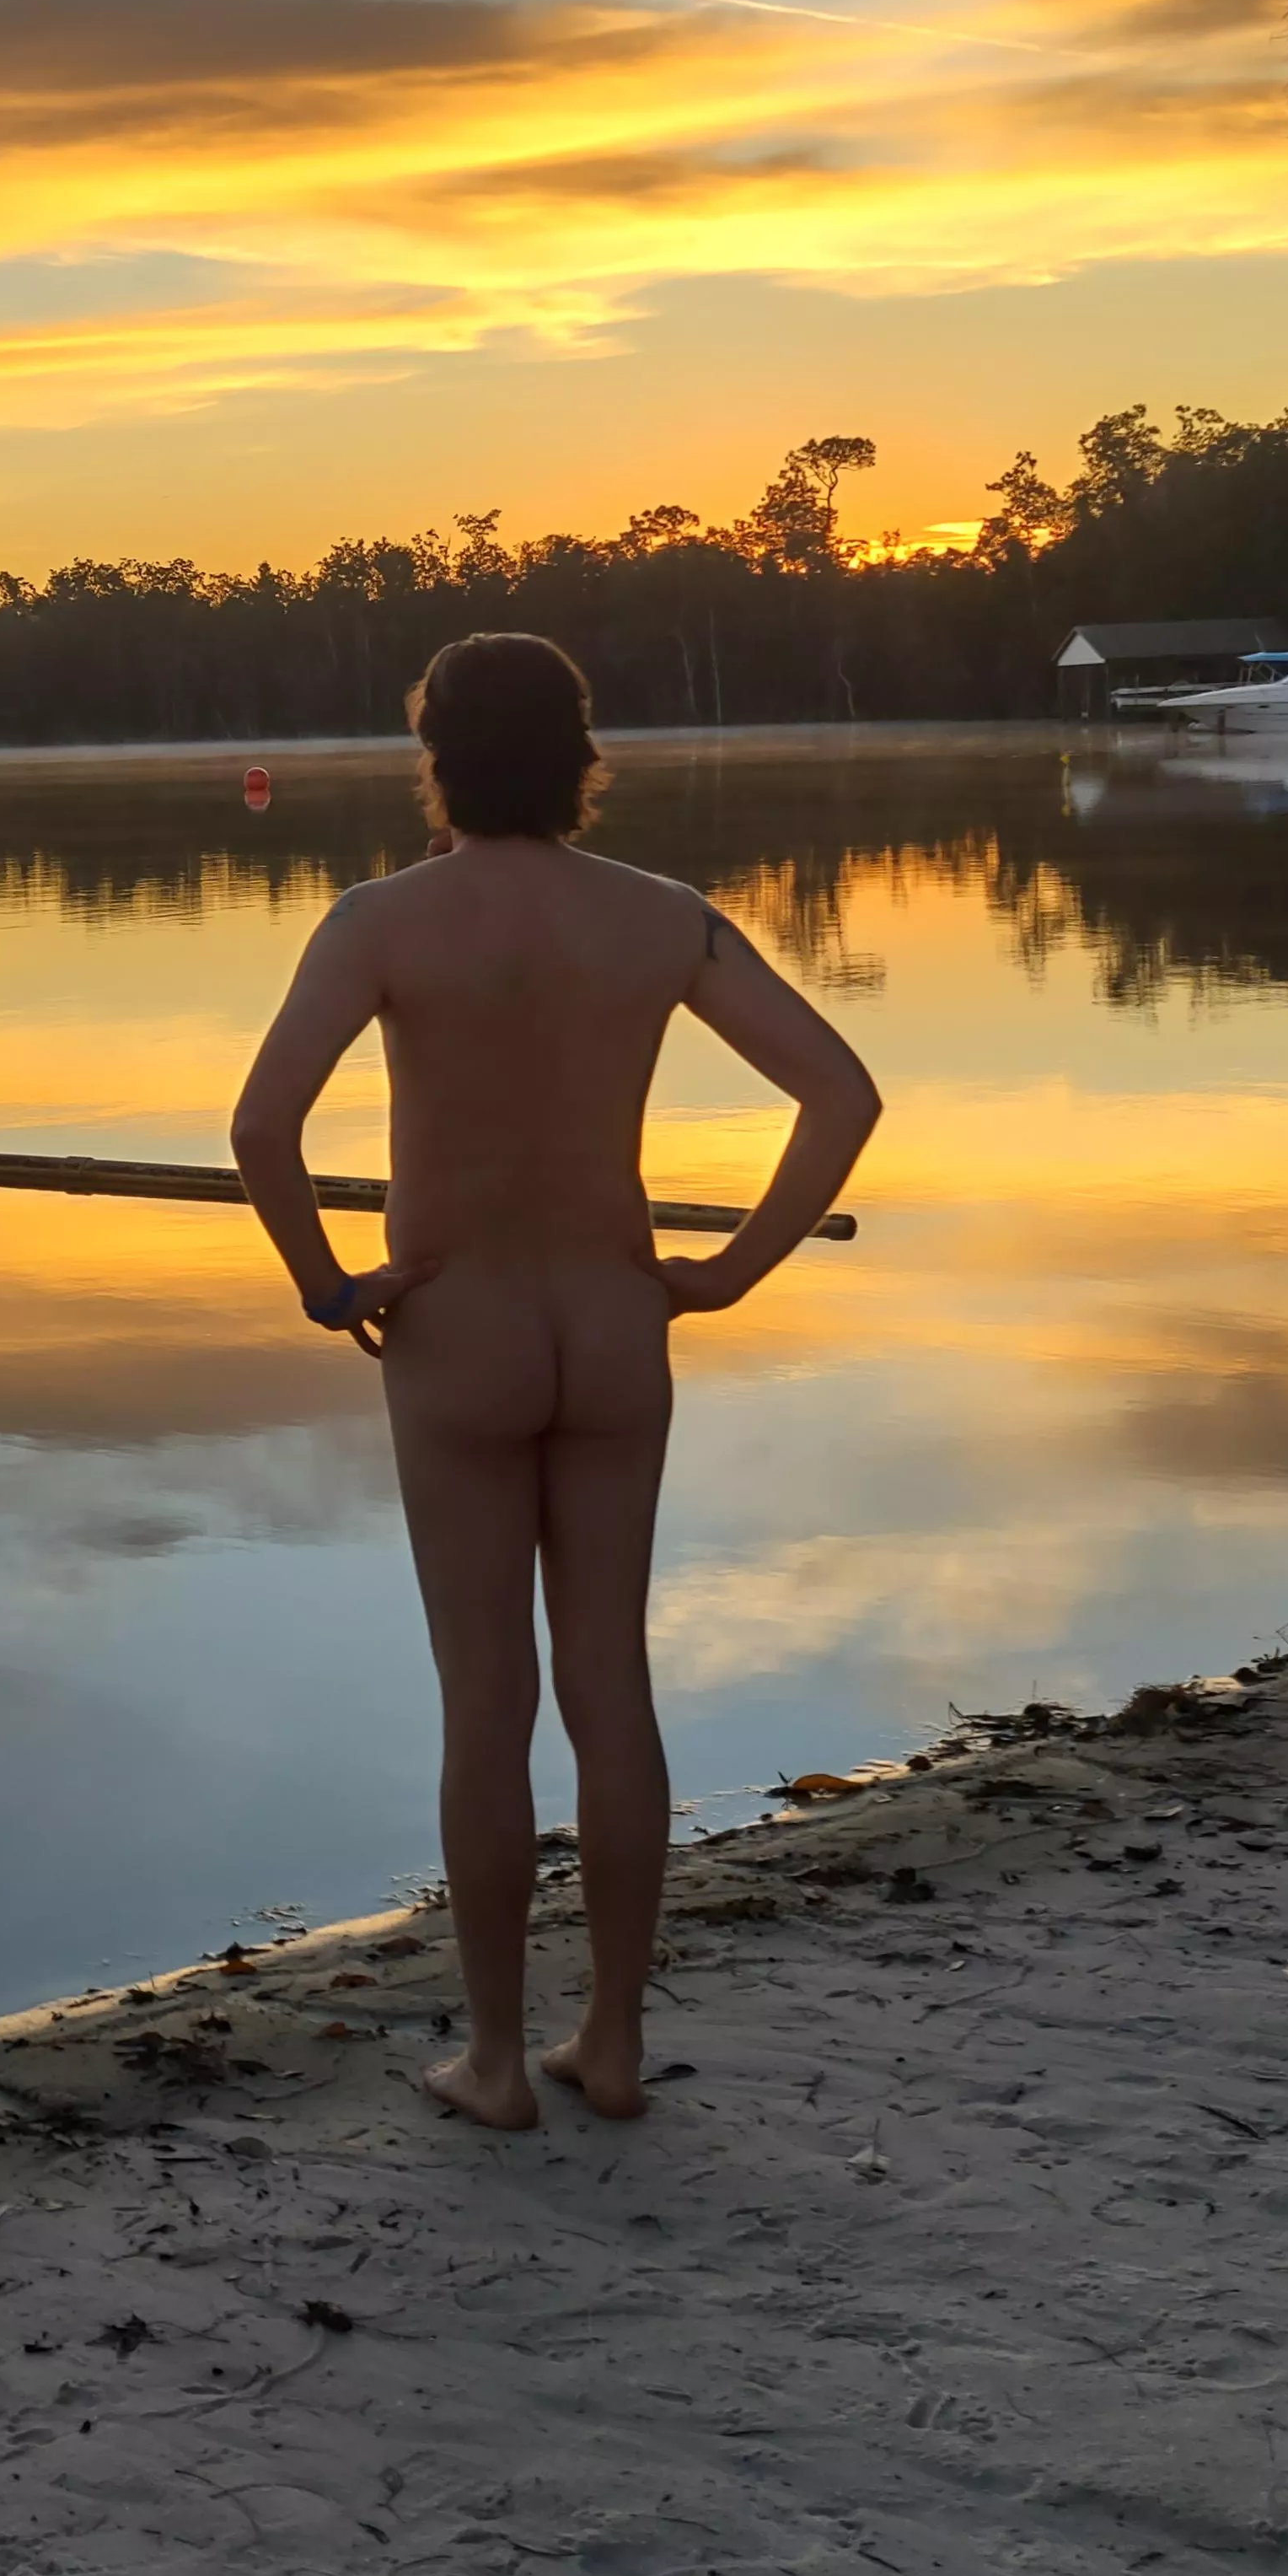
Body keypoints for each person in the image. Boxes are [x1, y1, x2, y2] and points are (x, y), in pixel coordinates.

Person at [229, 634, 878, 2131]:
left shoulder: (378, 921)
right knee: (611, 1690)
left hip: (458, 1332)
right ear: (581, 756)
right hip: (612, 1328)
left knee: (487, 1702)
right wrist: (728, 1274)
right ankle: (618, 2042)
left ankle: (500, 2060)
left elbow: (266, 1132)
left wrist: (327, 1285)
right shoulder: (664, 921)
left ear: (437, 759)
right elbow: (842, 1094)